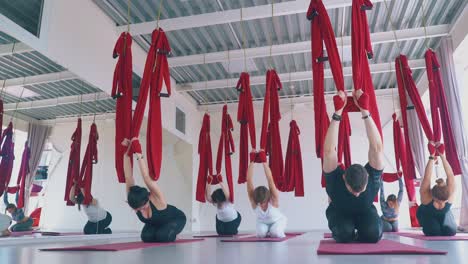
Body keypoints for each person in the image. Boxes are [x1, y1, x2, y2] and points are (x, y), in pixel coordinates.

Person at [323, 90, 384, 243]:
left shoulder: (373, 175)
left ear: (368, 177)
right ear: (344, 178)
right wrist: (338, 112)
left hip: (365, 212)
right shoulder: (335, 177)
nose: (357, 194)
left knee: (373, 234)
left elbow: (376, 147)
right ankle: (349, 233)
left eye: (360, 190)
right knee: (344, 234)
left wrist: (365, 110)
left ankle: (363, 231)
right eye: (352, 190)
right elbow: (329, 150)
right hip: (339, 212)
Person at [123, 139, 186, 243]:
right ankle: (162, 230)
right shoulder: (133, 198)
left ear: (147, 199)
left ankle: (174, 232)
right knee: (146, 238)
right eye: (137, 210)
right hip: (156, 224)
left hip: (175, 218)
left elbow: (146, 176)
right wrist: (127, 152)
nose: (140, 211)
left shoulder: (156, 198)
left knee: (163, 237)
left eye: (142, 208)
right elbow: (128, 177)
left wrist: (138, 152)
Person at [417, 146, 456, 236]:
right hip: (427, 214)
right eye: (439, 201)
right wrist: (431, 156)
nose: (442, 204)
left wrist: (442, 155)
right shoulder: (426, 195)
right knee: (434, 232)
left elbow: (450, 175)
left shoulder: (450, 191)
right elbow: (427, 177)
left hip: (444, 215)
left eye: (444, 201)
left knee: (450, 231)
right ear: (433, 196)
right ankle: (430, 225)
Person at [246, 152, 287, 238]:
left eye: (263, 202)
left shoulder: (273, 200)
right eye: (259, 203)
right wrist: (252, 161)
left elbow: (270, 179)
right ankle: (266, 231)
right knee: (260, 234)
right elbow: (249, 180)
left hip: (277, 221)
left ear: (268, 199)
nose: (261, 205)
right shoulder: (254, 201)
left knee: (275, 233)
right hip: (262, 223)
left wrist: (264, 161)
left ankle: (272, 231)